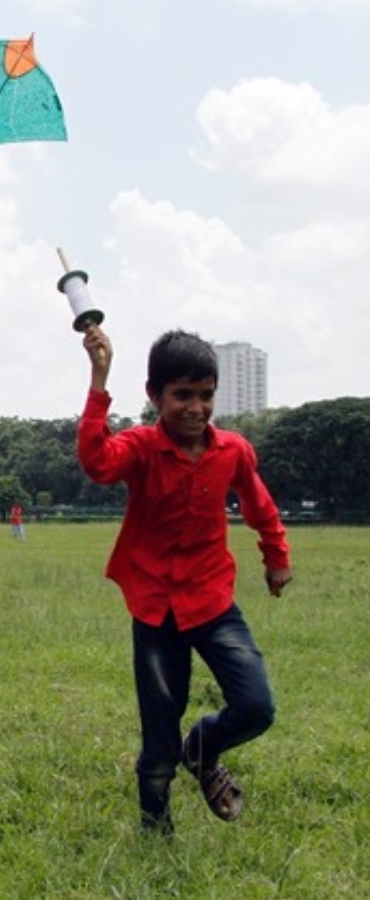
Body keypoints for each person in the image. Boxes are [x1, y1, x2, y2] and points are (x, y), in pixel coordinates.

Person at [77, 326, 292, 834]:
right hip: (154, 608)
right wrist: (99, 378)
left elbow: (259, 504)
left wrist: (275, 555)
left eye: (205, 395)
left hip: (212, 600)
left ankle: (204, 748)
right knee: (158, 735)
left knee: (256, 706)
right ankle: (156, 833)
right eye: (182, 395)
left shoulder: (233, 450)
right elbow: (97, 463)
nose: (195, 407)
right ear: (155, 397)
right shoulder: (139, 447)